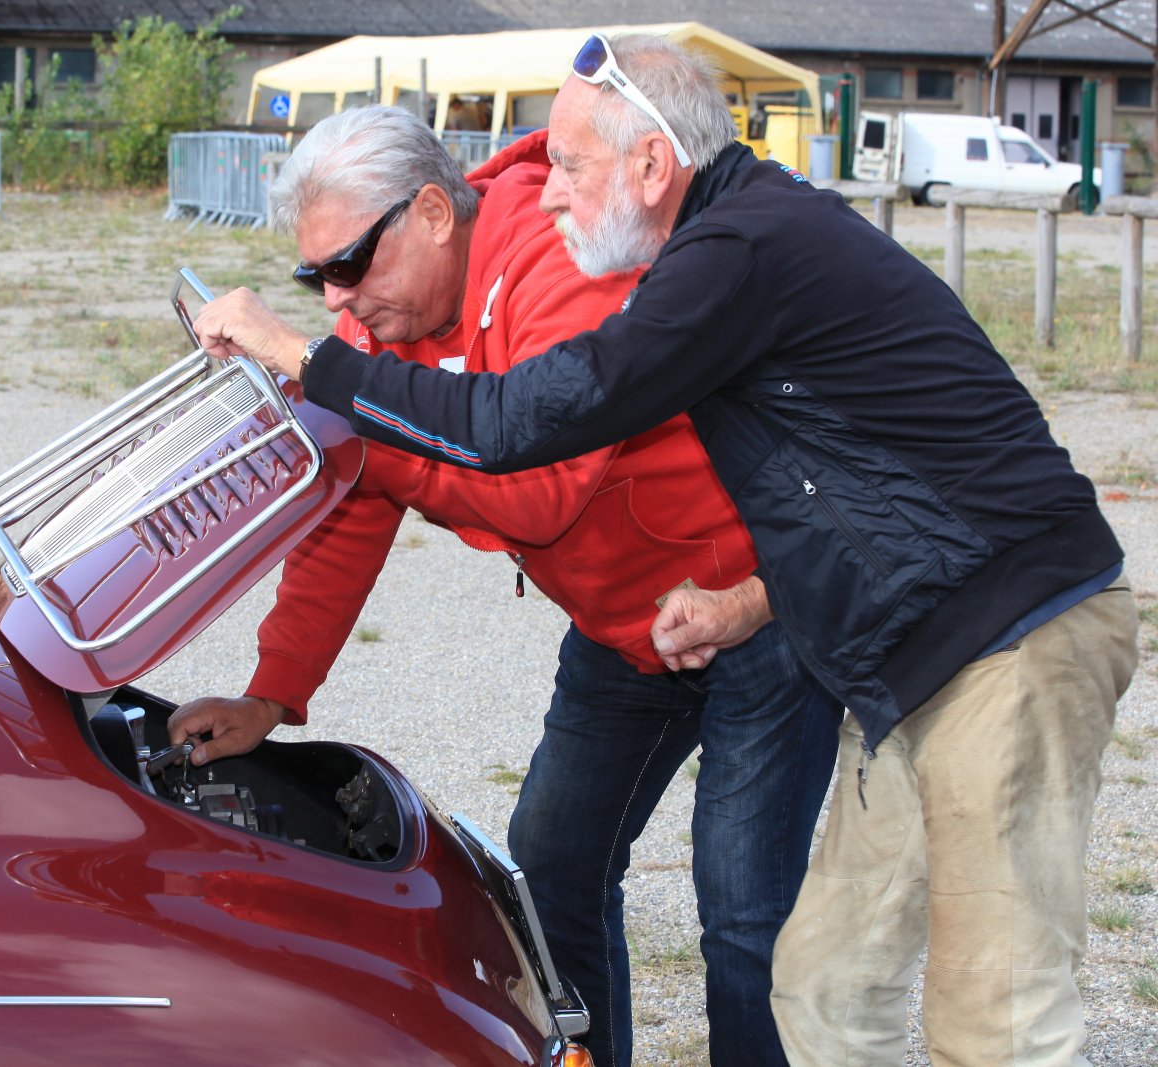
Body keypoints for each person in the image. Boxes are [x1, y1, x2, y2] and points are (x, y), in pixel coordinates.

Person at [188, 32, 1138, 1067]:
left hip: (989, 630)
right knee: (816, 982)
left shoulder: (725, 253)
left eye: (568, 164)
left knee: (948, 997)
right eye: (314, 277)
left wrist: (318, 372)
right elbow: (818, 482)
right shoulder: (721, 247)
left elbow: (525, 442)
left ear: (649, 165)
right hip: (830, 638)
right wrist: (276, 688)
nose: (543, 189)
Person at [166, 105, 839, 1067]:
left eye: (350, 264)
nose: (337, 300)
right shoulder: (376, 336)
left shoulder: (561, 255)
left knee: (743, 906)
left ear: (434, 214)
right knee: (553, 862)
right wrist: (271, 694)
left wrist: (353, 408)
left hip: (752, 603)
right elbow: (351, 513)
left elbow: (539, 485)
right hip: (625, 627)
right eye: (317, 278)